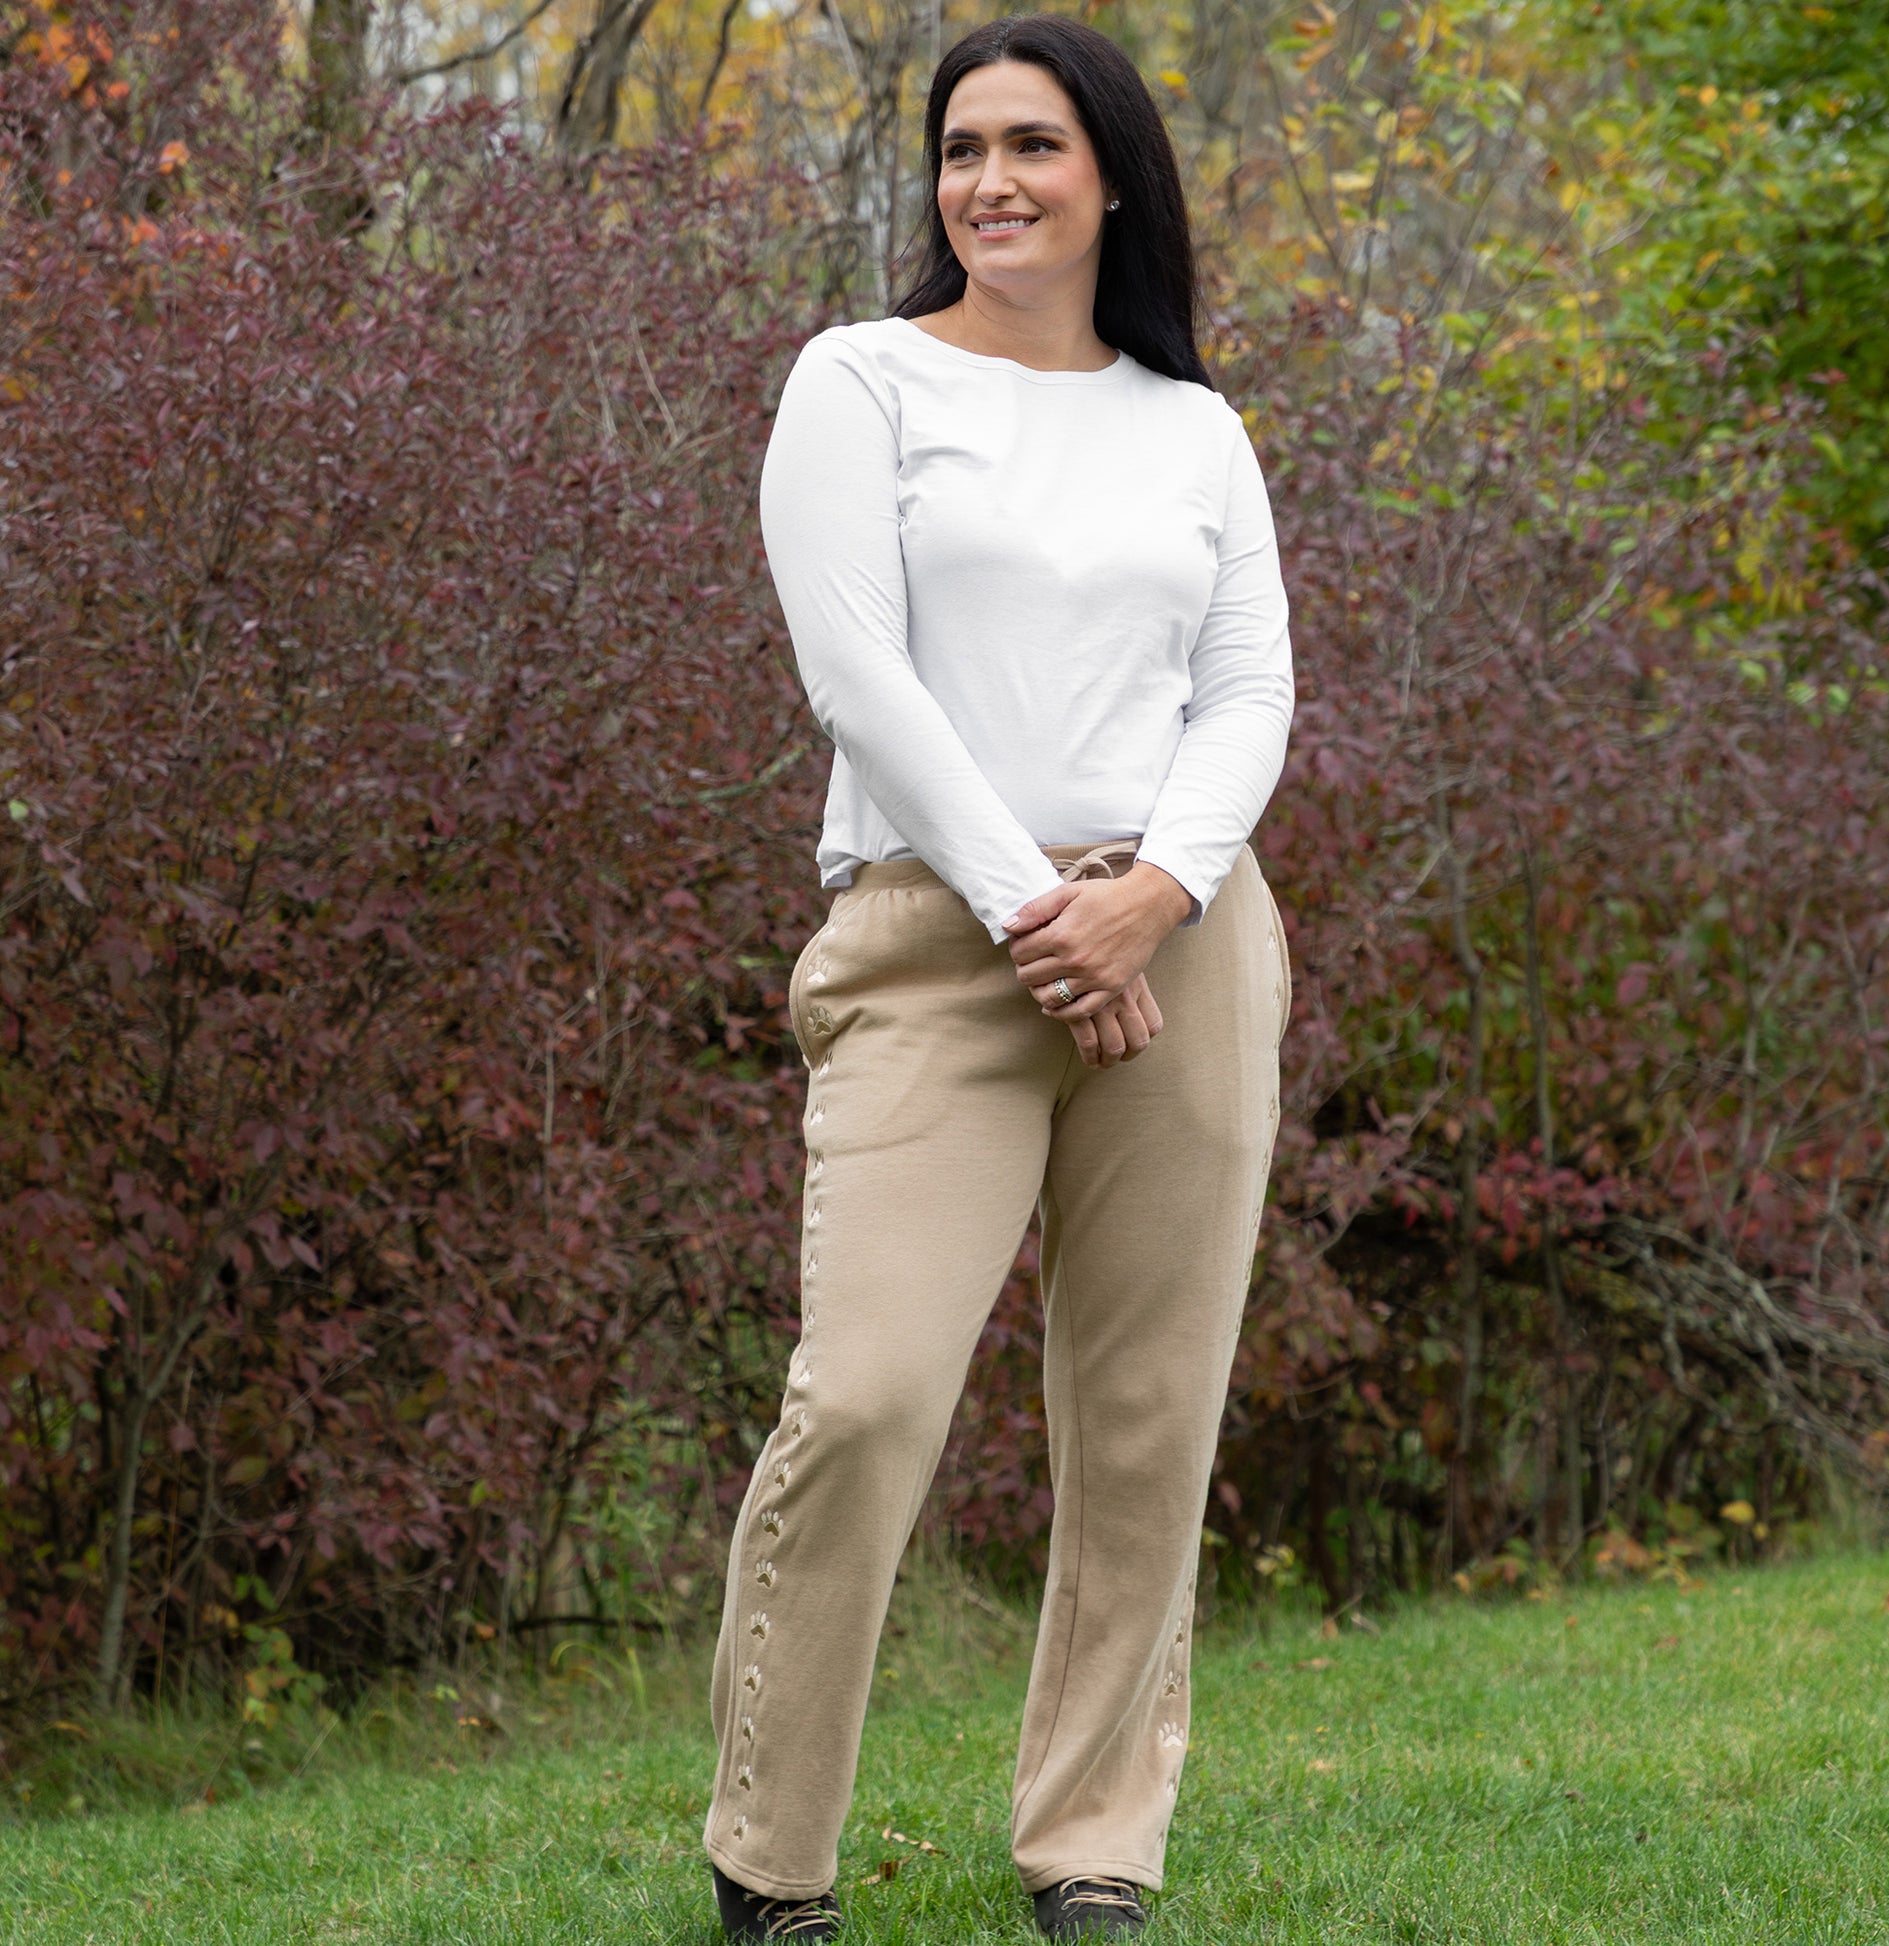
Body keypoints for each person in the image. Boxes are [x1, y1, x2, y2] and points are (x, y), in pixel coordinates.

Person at [702, 14, 1294, 1940]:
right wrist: (1044, 908)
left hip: (1180, 951)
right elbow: (852, 668)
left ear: (1110, 173)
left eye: (1032, 144)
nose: (991, 182)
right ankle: (771, 1864)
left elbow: (1247, 688)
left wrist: (1160, 895)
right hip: (936, 943)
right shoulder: (857, 382)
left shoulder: (1190, 425)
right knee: (866, 1393)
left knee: (1147, 1416)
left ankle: (1093, 1846)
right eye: (961, 149)